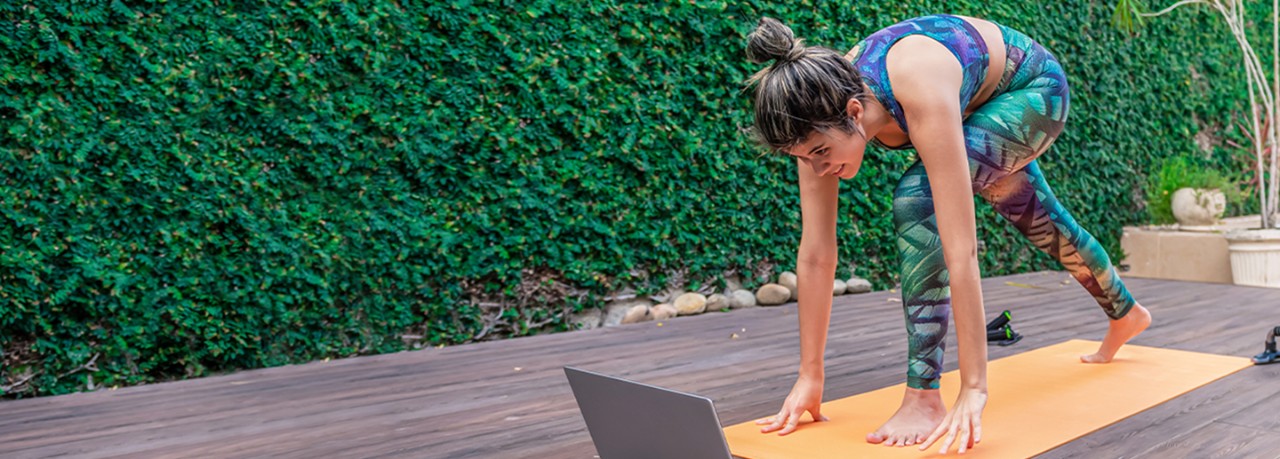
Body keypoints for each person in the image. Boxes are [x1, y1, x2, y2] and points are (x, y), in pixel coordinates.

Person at [744, 14, 1153, 454]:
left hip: (1033, 90)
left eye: (821, 153)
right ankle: (1125, 312)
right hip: (978, 101)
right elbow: (816, 255)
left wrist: (974, 387)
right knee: (1037, 217)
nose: (819, 168)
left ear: (855, 113)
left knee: (917, 200)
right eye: (805, 158)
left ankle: (923, 396)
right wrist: (810, 376)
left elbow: (960, 251)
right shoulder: (814, 116)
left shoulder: (915, 82)